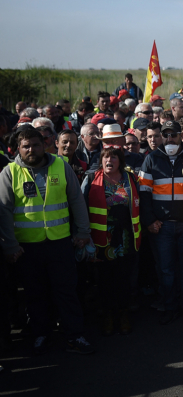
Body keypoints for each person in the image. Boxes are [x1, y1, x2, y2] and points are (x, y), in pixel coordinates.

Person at [0, 127, 95, 354]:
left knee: (66, 291)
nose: (31, 149)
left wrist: (83, 231)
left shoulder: (60, 166)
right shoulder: (9, 173)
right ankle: (41, 335)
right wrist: (10, 245)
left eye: (35, 144)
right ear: (18, 149)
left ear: (44, 145)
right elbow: (3, 211)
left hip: (60, 242)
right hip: (27, 248)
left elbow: (76, 201)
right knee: (35, 294)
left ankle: (75, 335)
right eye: (26, 146)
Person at [138, 120, 183, 325]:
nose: (169, 139)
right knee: (166, 270)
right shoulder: (151, 159)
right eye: (166, 135)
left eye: (174, 135)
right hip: (161, 227)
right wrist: (150, 220)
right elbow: (143, 195)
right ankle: (170, 307)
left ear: (181, 135)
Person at [82, 146, 141, 336]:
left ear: (120, 161)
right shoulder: (91, 179)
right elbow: (81, 206)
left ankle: (123, 314)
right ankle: (107, 315)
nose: (109, 161)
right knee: (105, 278)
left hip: (125, 238)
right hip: (102, 239)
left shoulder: (130, 178)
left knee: (124, 278)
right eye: (106, 157)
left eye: (114, 157)